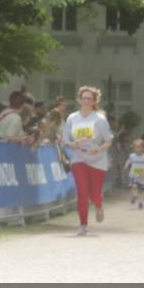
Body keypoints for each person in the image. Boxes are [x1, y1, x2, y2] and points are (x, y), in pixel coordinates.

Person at [61, 86, 113, 235]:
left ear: (94, 101)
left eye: (89, 98)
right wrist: (73, 144)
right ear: (79, 100)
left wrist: (98, 149)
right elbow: (65, 140)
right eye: (84, 98)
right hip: (79, 158)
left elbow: (108, 141)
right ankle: (83, 225)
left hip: (97, 160)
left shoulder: (99, 119)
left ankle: (98, 205)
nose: (86, 101)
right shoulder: (72, 118)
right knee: (82, 192)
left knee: (94, 194)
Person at [125, 139, 144, 210]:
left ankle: (140, 202)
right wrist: (126, 165)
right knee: (134, 186)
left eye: (139, 147)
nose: (137, 149)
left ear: (143, 148)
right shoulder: (132, 156)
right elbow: (128, 161)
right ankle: (134, 196)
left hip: (142, 176)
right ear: (133, 148)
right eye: (136, 147)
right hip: (133, 175)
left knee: (141, 190)